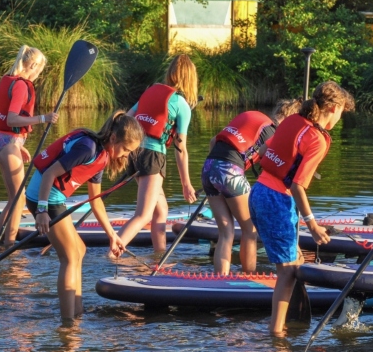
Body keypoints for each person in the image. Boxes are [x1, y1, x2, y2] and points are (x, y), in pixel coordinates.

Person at [248, 81, 355, 335]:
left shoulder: (292, 121)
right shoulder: (317, 139)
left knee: (292, 261)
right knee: (288, 272)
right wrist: (313, 224)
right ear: (333, 107)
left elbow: (262, 152)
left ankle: (282, 324)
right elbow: (297, 187)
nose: (340, 118)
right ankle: (277, 333)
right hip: (276, 200)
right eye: (341, 112)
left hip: (258, 193)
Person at [25, 110, 144, 320]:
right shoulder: (87, 148)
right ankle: (68, 323)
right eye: (126, 149)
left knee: (79, 250)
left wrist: (112, 235)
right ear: (114, 138)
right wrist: (41, 211)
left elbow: (95, 200)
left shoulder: (102, 156)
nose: (126, 155)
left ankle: (77, 313)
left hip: (52, 199)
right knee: (69, 257)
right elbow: (50, 173)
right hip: (43, 198)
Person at [202, 99, 301, 275]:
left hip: (208, 168)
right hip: (230, 172)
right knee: (250, 229)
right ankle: (249, 277)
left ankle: (219, 281)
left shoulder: (254, 117)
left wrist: (220, 173)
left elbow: (212, 142)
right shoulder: (272, 133)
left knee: (225, 232)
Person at [118, 54, 199, 252]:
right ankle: (111, 254)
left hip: (134, 154)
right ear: (191, 79)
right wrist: (186, 184)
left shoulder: (151, 91)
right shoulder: (181, 104)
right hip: (152, 157)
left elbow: (127, 118)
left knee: (160, 210)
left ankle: (159, 259)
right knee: (143, 215)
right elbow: (181, 149)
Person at [0, 45, 59, 248]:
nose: (38, 75)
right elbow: (12, 118)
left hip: (4, 142)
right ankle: (9, 247)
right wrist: (43, 118)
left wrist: (19, 145)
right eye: (39, 70)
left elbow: (8, 123)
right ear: (33, 65)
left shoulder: (8, 79)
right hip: (7, 144)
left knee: (14, 199)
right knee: (19, 199)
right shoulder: (21, 85)